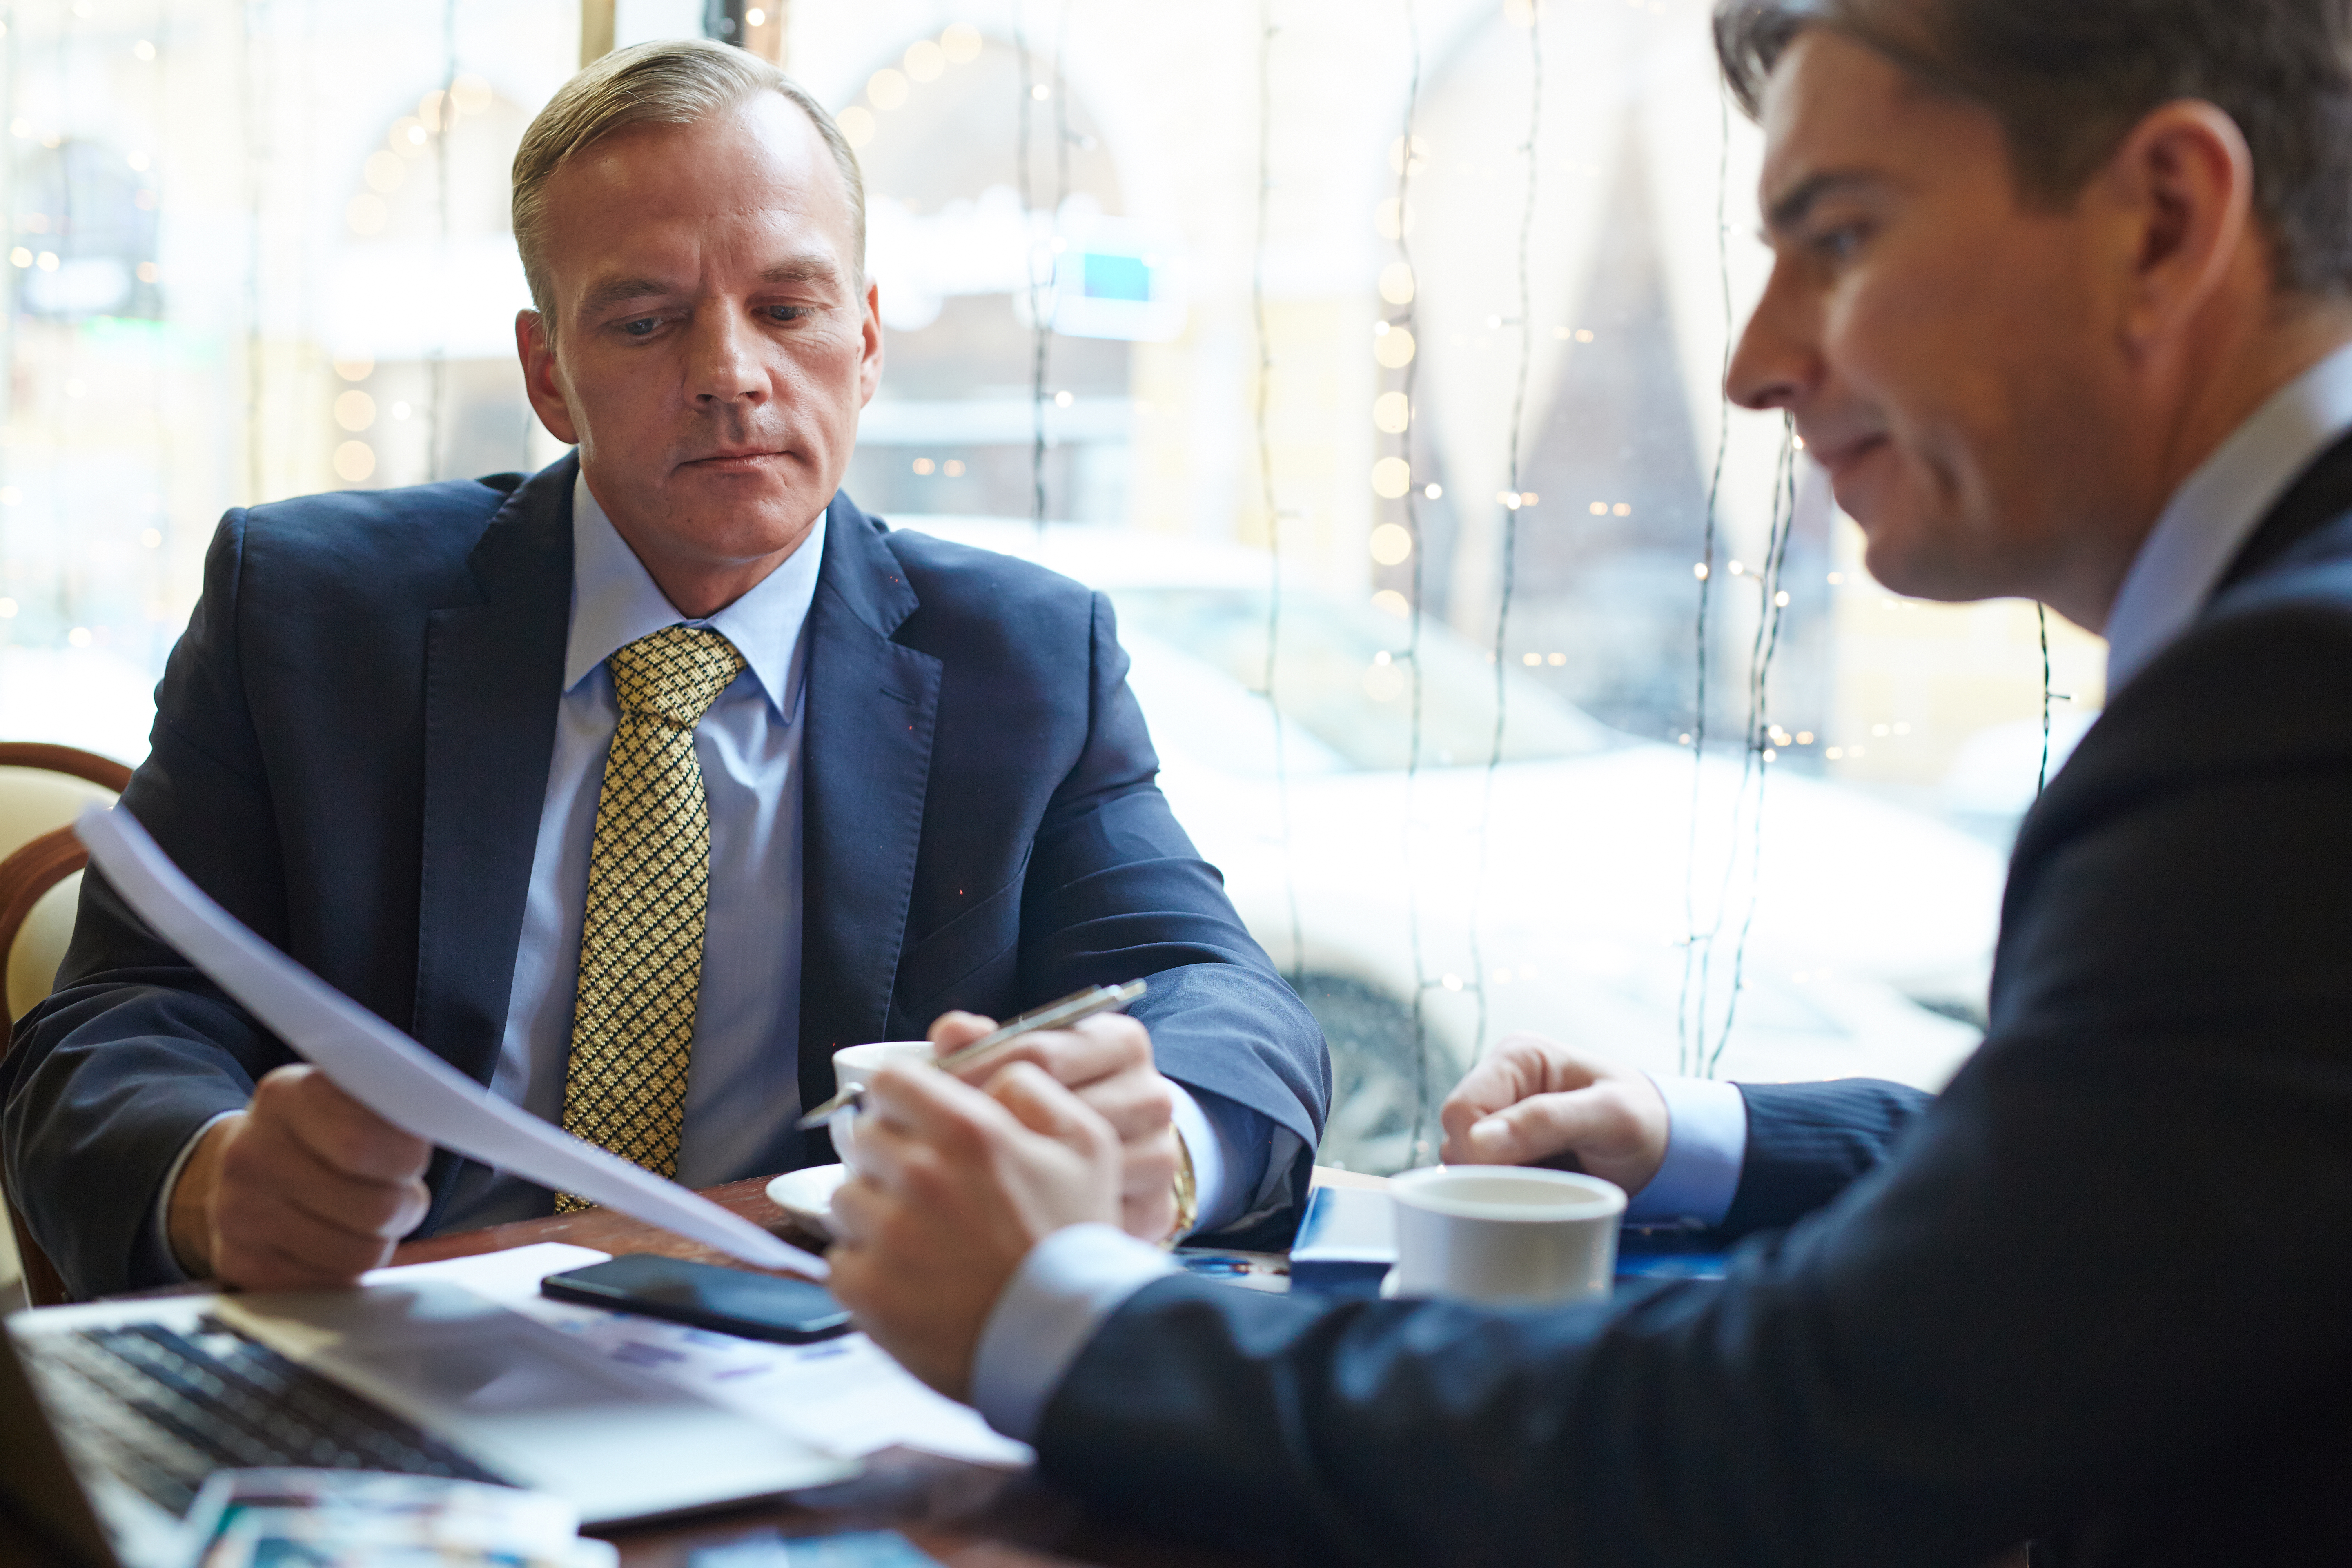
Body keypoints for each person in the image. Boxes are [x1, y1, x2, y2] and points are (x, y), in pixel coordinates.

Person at [824, 1, 2352, 1563]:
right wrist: (1692, 1138)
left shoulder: (2286, 710)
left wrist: (1061, 1317)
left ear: (2164, 220)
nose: (1758, 365)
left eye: (1839, 237)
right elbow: (2130, 1180)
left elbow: (1807, 1428)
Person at [0, 38, 1327, 1302]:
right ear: (548, 376)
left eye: (789, 308)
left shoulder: (1025, 662)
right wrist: (216, 1179)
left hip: (824, 1364)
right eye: (644, 324)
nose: (732, 376)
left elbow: (1225, 1007)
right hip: (396, 1342)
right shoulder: (304, 613)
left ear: (865, 343)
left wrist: (1156, 1157)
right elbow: (112, 1027)